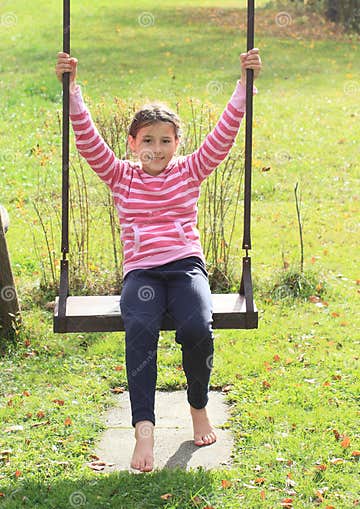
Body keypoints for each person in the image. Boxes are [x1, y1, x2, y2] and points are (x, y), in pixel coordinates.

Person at [55, 47, 261, 473]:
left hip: (185, 267)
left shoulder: (190, 170)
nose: (156, 148)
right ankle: (143, 428)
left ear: (177, 142)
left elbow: (223, 134)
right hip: (142, 273)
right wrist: (72, 90)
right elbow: (87, 138)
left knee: (196, 326)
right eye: (147, 140)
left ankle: (198, 406)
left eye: (165, 140)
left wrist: (244, 83)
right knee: (141, 329)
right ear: (132, 143)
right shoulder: (119, 174)